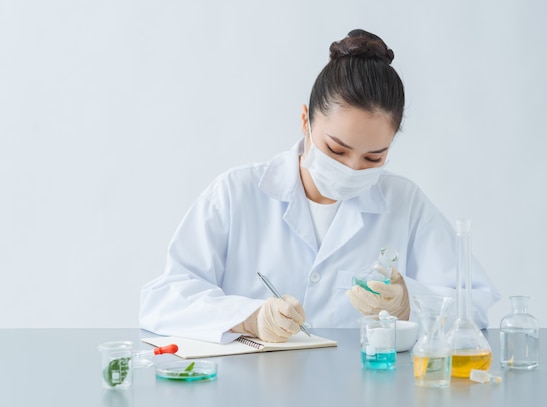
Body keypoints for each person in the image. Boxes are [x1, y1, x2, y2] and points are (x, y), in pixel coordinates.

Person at [139, 29, 500, 344]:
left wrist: (409, 302)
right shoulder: (237, 193)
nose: (352, 168)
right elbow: (164, 299)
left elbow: (477, 304)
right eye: (336, 149)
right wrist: (249, 318)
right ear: (305, 122)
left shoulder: (405, 203)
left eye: (373, 158)